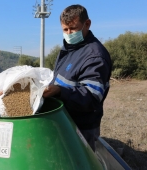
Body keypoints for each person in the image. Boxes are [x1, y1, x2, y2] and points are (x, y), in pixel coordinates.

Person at [43, 4, 112, 151]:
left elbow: (91, 97)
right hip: (65, 118)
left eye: (73, 29)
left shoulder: (95, 56)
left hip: (82, 126)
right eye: (65, 30)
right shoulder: (70, 48)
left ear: (87, 24)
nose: (68, 34)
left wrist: (59, 91)